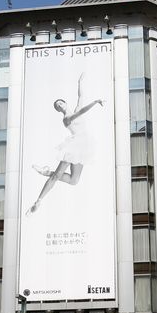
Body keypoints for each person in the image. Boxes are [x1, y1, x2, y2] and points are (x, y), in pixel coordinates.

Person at [26, 72, 104, 216]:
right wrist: (95, 102)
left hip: (83, 146)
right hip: (74, 146)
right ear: (58, 110)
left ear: (65, 103)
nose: (60, 106)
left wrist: (80, 82)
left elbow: (80, 97)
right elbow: (81, 112)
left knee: (74, 181)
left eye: (61, 103)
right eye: (58, 106)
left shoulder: (73, 110)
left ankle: (45, 171)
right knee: (56, 177)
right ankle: (38, 201)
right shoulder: (66, 119)